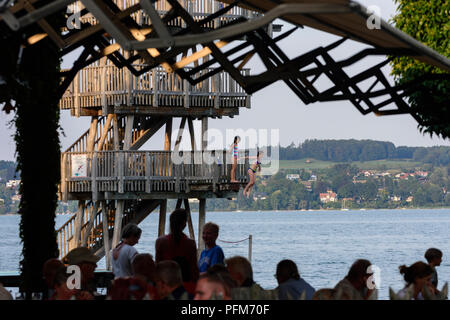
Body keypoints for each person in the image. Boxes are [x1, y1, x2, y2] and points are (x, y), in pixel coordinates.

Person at [155, 208, 199, 294]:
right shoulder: (190, 243)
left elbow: (157, 265)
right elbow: (194, 269)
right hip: (186, 285)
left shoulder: (161, 241)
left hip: (166, 284)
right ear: (184, 224)